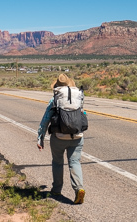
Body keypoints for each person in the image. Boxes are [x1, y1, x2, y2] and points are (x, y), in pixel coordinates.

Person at [37, 73, 85, 204]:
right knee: (74, 162)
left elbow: (46, 119)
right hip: (77, 135)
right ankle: (79, 189)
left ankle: (57, 189)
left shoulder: (55, 99)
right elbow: (82, 114)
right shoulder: (79, 96)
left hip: (58, 137)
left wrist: (40, 137)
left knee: (58, 162)